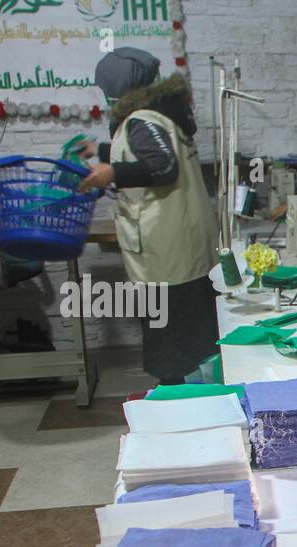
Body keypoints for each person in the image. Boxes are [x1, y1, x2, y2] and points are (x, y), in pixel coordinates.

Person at [76, 48, 219, 385]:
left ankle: (176, 405)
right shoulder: (161, 115)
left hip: (166, 251)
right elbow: (153, 151)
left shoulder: (141, 118)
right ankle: (195, 397)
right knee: (193, 335)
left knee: (171, 339)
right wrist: (102, 151)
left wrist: (111, 173)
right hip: (183, 245)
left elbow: (163, 166)